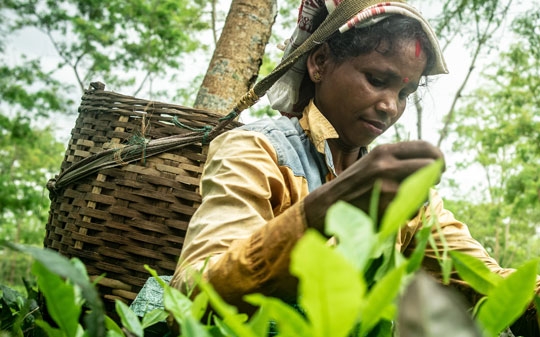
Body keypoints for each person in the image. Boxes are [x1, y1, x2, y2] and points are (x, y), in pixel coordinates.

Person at [169, 0, 539, 330]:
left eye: (404, 94)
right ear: (320, 62)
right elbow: (193, 296)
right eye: (377, 80)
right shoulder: (258, 150)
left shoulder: (404, 196)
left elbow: (492, 283)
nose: (390, 106)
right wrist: (320, 212)